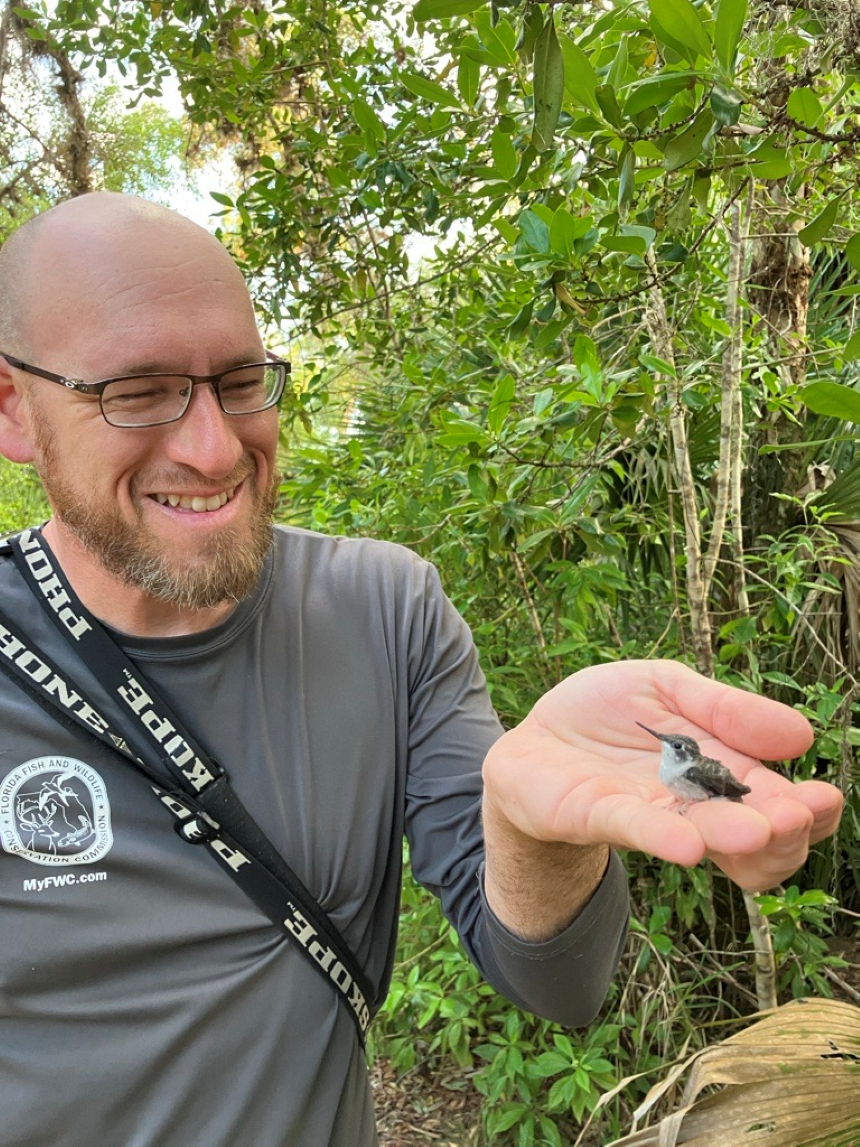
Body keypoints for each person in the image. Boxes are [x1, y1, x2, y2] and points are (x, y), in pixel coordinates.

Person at [0, 193, 842, 1147]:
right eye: (138, 390)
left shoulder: (383, 608)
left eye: (240, 381)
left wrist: (537, 832)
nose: (214, 446)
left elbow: (558, 985)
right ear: (14, 407)